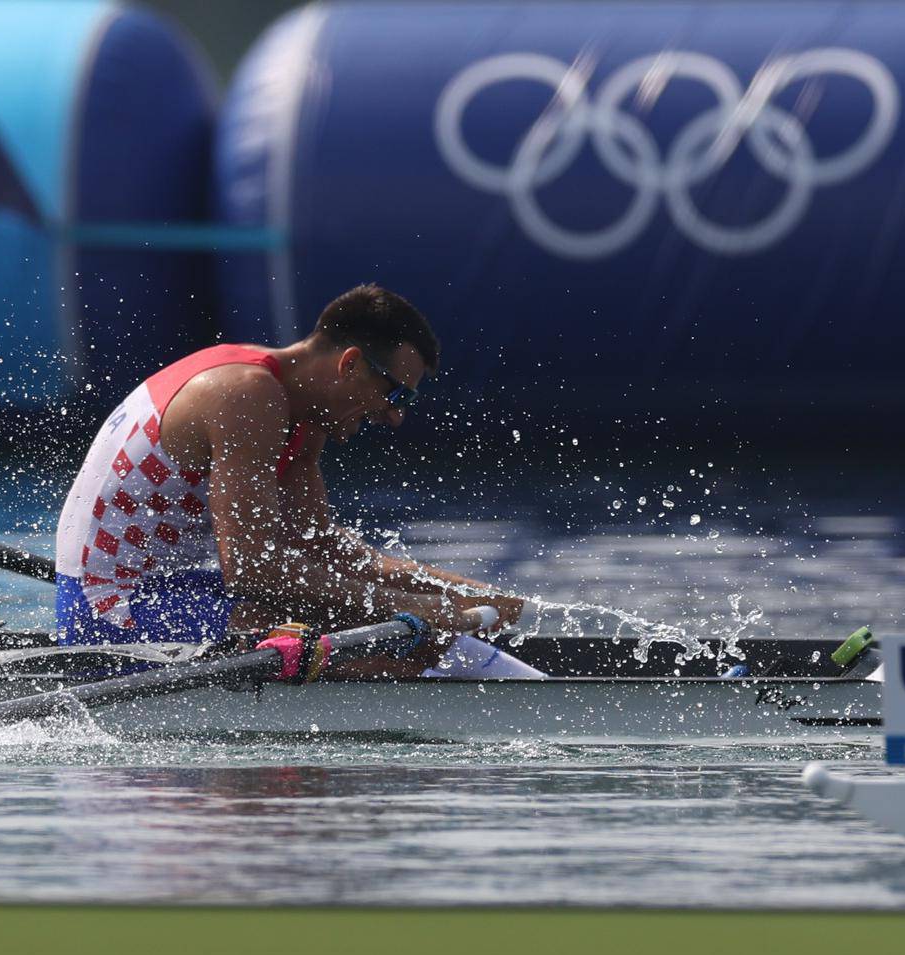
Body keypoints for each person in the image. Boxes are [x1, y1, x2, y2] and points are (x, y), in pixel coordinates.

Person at [54, 284, 546, 678]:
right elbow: (251, 570)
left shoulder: (302, 411)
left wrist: (464, 591)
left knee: (410, 628)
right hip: (110, 611)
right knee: (408, 634)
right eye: (395, 393)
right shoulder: (246, 394)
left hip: (175, 590)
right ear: (349, 363)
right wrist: (416, 607)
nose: (395, 417)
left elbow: (324, 548)